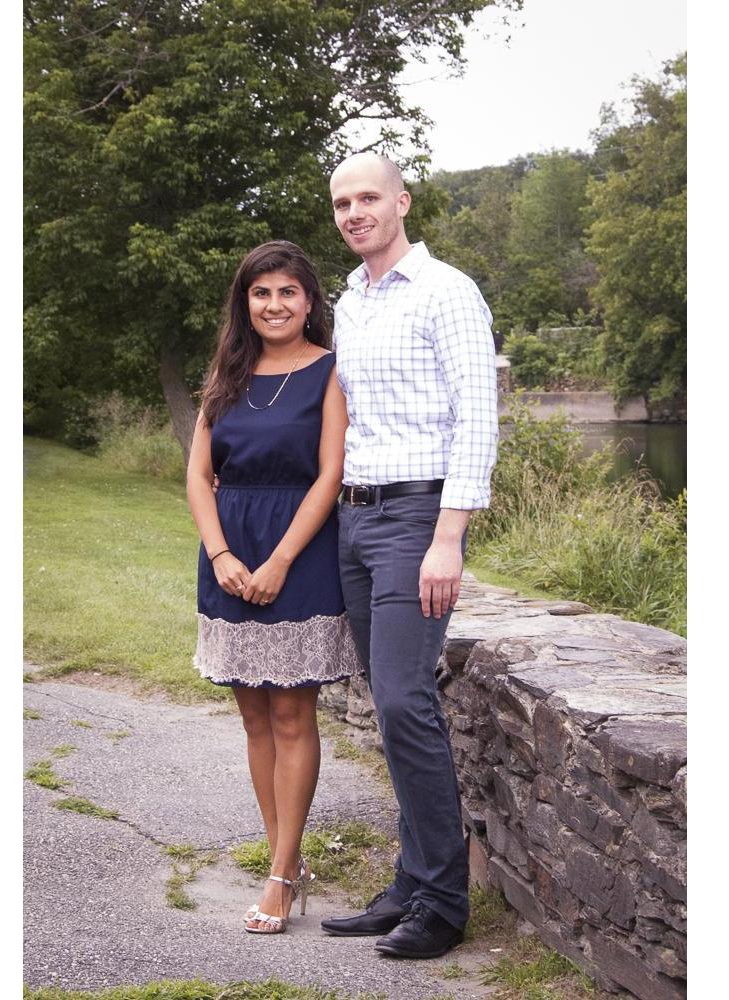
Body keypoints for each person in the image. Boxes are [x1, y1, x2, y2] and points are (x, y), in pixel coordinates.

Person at [319, 153, 499, 959]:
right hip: (355, 519)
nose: (354, 212)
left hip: (417, 518)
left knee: (401, 699)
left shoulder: (445, 291)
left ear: (403, 202)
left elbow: (477, 417)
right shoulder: (349, 300)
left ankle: (444, 904)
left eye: (368, 197)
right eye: (341, 203)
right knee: (390, 703)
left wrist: (447, 537)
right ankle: (410, 882)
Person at [187, 240, 360, 935]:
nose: (274, 304)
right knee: (254, 721)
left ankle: (283, 876)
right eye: (261, 293)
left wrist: (282, 560)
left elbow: (330, 474)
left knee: (291, 716)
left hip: (300, 554)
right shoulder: (226, 373)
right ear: (246, 303)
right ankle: (282, 858)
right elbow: (199, 475)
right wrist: (221, 553)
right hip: (228, 557)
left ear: (310, 301)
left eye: (288, 291)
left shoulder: (330, 372)